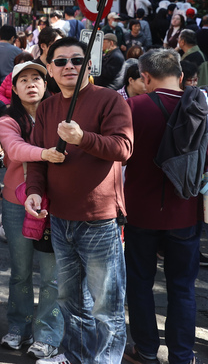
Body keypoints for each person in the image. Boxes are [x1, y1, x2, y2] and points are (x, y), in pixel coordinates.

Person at [24, 37, 133, 364]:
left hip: (99, 220)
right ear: (51, 70)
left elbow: (123, 148)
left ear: (89, 65)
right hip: (59, 218)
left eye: (77, 60)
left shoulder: (109, 100)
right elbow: (38, 158)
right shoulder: (47, 107)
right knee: (71, 301)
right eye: (61, 61)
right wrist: (33, 190)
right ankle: (77, 355)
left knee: (106, 307)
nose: (69, 66)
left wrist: (82, 139)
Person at [124, 49, 204, 364]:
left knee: (140, 283)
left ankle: (145, 350)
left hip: (139, 211)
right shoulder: (201, 107)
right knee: (183, 288)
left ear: (144, 77)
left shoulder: (132, 107)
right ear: (181, 76)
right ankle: (182, 356)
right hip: (185, 210)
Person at [0, 61, 65, 359]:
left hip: (57, 203)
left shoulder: (62, 115)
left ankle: (47, 335)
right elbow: (15, 150)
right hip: (16, 202)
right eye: (22, 79)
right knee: (21, 271)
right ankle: (18, 327)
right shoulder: (8, 120)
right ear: (14, 87)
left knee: (52, 275)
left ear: (45, 82)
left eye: (36, 77)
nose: (30, 83)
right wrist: (47, 153)